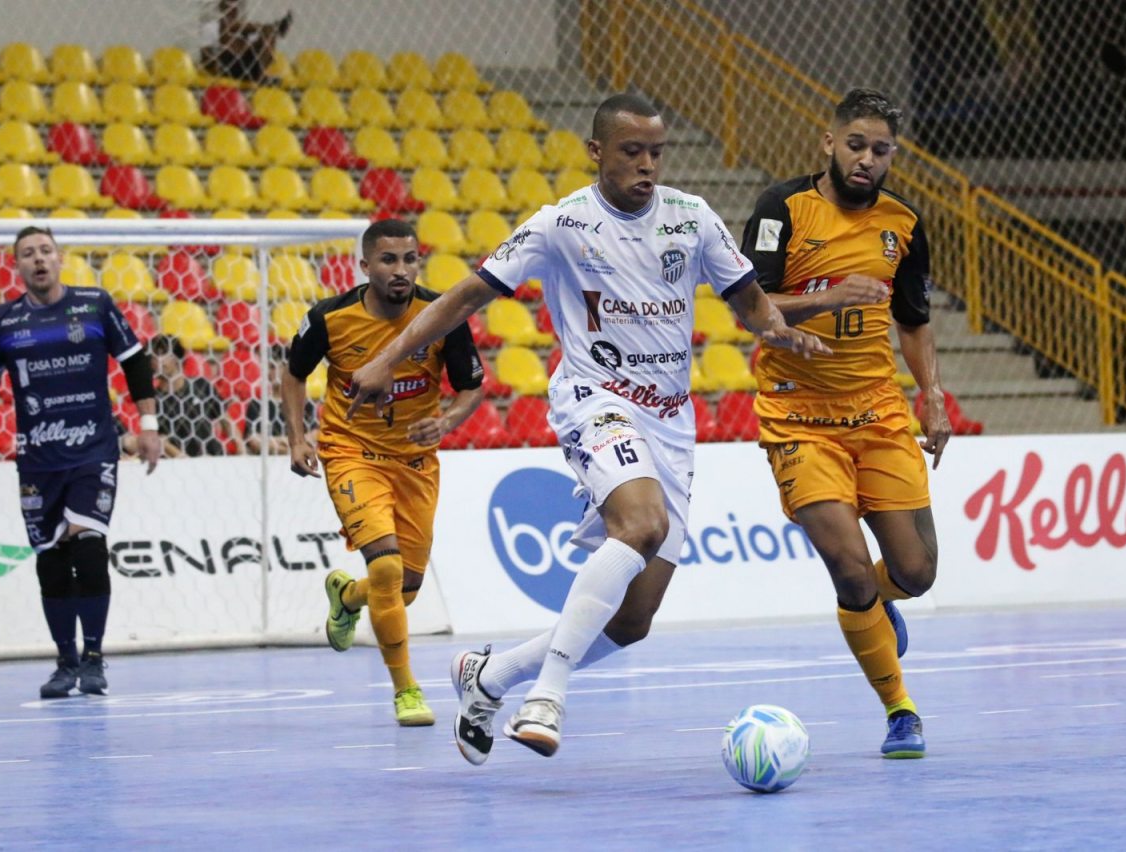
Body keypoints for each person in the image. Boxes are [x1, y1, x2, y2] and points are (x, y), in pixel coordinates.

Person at [344, 93, 827, 761]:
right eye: (632, 152)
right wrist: (385, 358)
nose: (648, 165)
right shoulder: (561, 225)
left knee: (633, 621)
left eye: (657, 152)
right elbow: (463, 297)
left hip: (670, 422)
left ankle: (490, 677)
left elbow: (751, 306)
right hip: (594, 400)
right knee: (640, 522)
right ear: (597, 152)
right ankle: (548, 693)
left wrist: (780, 327)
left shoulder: (692, 219)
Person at [740, 88, 951, 758]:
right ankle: (900, 709)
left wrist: (933, 395)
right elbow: (751, 308)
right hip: (798, 416)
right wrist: (831, 296)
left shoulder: (905, 224)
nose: (866, 159)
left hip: (879, 414)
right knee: (851, 572)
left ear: (893, 156)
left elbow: (913, 321)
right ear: (828, 143)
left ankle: (880, 605)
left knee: (916, 573)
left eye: (880, 149)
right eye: (854, 144)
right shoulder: (782, 209)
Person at [283, 218, 485, 727]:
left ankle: (346, 596)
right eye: (389, 260)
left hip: (415, 463)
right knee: (388, 570)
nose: (401, 270)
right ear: (365, 265)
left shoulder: (442, 315)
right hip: (351, 451)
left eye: (410, 259)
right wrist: (296, 436)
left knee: (404, 589)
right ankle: (406, 691)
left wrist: (447, 421)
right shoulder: (329, 318)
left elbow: (471, 387)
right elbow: (293, 374)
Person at [0, 226, 162, 698]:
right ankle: (66, 662)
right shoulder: (2, 321)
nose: (38, 259)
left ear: (59, 258)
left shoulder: (94, 303)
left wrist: (148, 427)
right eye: (28, 254)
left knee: (88, 549)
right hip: (38, 459)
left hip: (92, 450)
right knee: (52, 564)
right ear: (16, 266)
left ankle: (96, 658)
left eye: (45, 250)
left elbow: (135, 361)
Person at [148, 334, 241, 458]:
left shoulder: (201, 385)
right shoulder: (152, 400)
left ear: (177, 357)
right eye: (154, 355)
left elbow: (225, 420)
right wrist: (182, 458)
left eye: (163, 353)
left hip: (213, 458)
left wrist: (241, 450)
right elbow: (159, 439)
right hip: (179, 466)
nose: (158, 360)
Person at [244, 343, 315, 455]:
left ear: (286, 368)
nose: (269, 372)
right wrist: (293, 444)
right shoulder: (256, 404)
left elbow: (315, 435)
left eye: (273, 366)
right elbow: (253, 441)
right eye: (268, 367)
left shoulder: (304, 403)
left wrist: (273, 442)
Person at [198, 0, 293, 84]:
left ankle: (274, 28)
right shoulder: (211, 27)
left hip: (250, 66)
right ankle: (275, 27)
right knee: (226, 31)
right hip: (226, 65)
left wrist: (250, 39)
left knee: (268, 33)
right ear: (221, 7)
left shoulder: (245, 28)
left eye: (235, 7)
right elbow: (205, 56)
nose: (233, 9)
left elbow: (259, 49)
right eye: (229, 5)